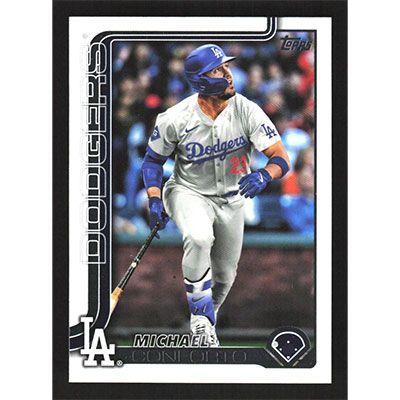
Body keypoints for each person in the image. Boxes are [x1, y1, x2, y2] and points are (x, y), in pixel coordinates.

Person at [141, 44, 290, 346]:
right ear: (200, 80)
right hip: (189, 191)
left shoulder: (246, 109)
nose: (228, 74)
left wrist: (264, 175)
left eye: (226, 67)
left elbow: (280, 157)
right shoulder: (175, 117)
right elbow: (152, 161)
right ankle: (200, 321)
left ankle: (205, 322)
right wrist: (154, 198)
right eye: (218, 70)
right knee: (199, 238)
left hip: (232, 198)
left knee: (224, 277)